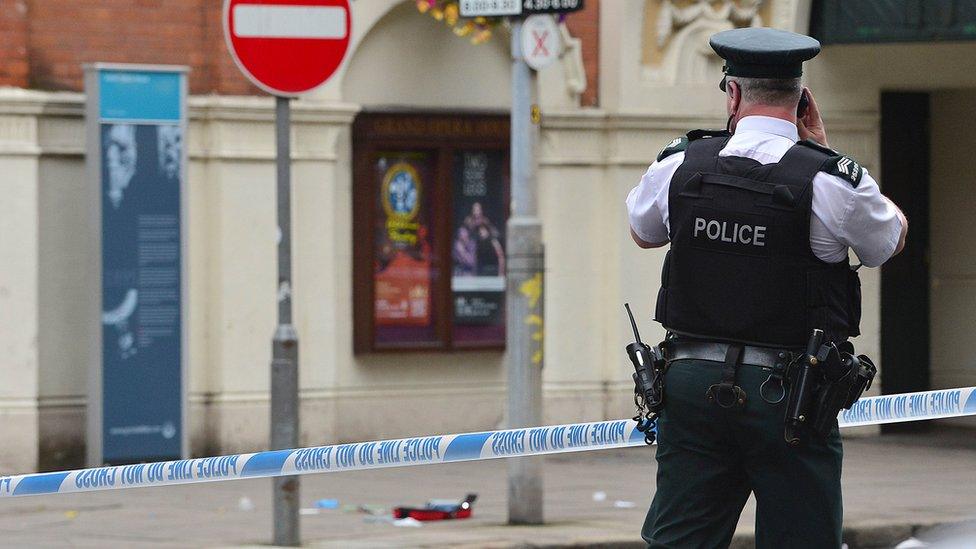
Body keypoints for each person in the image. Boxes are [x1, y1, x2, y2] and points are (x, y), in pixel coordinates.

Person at [625, 27, 907, 548]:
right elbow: (889, 241)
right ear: (802, 99)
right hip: (790, 395)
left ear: (732, 93)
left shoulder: (681, 163)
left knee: (680, 539)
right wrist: (821, 149)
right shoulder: (831, 180)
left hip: (690, 382)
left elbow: (643, 232)